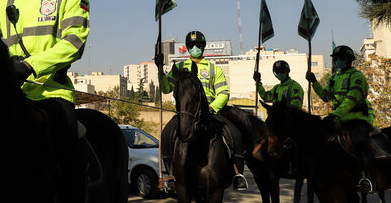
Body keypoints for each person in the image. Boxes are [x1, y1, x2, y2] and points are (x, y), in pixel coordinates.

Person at [0, 0, 90, 203]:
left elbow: (73, 44)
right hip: (10, 95)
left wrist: (30, 66)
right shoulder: (4, 3)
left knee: (68, 156)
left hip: (52, 94)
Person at [158, 30, 248, 191]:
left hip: (210, 113)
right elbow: (165, 88)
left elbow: (224, 93)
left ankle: (238, 175)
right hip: (185, 114)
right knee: (166, 135)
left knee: (236, 134)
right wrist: (160, 71)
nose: (195, 47)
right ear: (187, 47)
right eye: (191, 45)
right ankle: (171, 176)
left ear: (203, 46)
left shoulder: (214, 69)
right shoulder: (178, 67)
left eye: (198, 45)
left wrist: (213, 107)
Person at [306, 45, 376, 194]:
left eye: (341, 58)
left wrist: (335, 114)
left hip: (357, 120)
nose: (338, 61)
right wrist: (315, 83)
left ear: (350, 60)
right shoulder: (334, 78)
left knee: (360, 142)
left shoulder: (357, 77)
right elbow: (326, 97)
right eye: (336, 58)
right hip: (339, 120)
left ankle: (368, 179)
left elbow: (351, 99)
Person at [254, 60, 313, 203]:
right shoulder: (277, 88)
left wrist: (280, 111)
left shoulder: (295, 87)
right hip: (279, 123)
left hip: (293, 122)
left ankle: (295, 165)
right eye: (278, 72)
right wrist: (258, 83)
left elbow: (295, 107)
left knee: (293, 141)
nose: (280, 74)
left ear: (288, 72)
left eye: (282, 71)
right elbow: (266, 97)